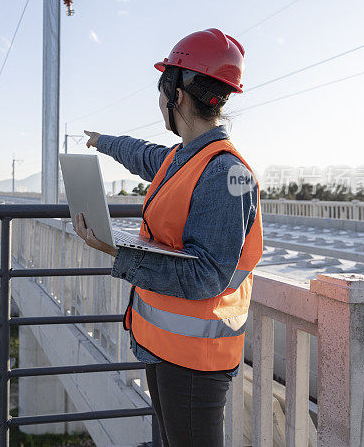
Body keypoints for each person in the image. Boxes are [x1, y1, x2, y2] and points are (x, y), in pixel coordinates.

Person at [71, 28, 262, 446]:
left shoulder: (228, 175)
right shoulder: (182, 158)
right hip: (162, 346)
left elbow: (207, 277)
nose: (159, 101)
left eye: (161, 91)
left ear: (176, 94)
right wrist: (103, 142)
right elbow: (141, 153)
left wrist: (116, 249)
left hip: (195, 361)